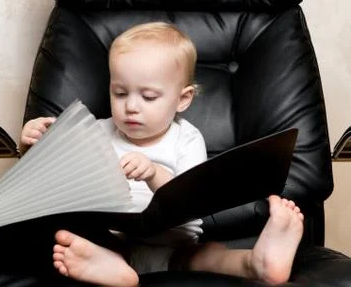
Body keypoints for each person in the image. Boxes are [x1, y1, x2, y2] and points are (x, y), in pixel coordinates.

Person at [20, 22, 304, 286]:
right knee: (66, 234)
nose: (131, 106)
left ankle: (257, 263)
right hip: (111, 239)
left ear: (182, 99)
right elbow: (50, 176)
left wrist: (154, 173)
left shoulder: (187, 139)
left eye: (148, 97)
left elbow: (192, 200)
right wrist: (34, 142)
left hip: (176, 246)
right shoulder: (94, 131)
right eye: (120, 93)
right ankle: (115, 268)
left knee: (210, 255)